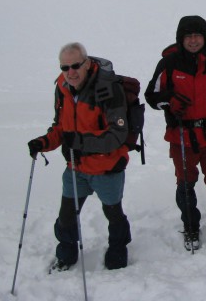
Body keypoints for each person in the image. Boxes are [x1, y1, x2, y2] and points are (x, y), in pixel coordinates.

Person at [27, 42, 132, 272]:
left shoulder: (107, 88)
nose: (70, 72)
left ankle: (117, 250)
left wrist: (80, 142)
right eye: (65, 67)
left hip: (107, 167)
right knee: (66, 217)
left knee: (113, 213)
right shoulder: (62, 87)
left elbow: (118, 134)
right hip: (76, 167)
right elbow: (61, 127)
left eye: (75, 66)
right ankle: (66, 254)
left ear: (86, 63)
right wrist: (44, 142)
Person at [145, 15, 206, 252]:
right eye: (187, 36)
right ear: (180, 38)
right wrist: (169, 101)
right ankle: (190, 227)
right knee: (186, 185)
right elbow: (151, 96)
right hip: (181, 135)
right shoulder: (168, 64)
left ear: (205, 37)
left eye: (197, 35)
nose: (192, 40)